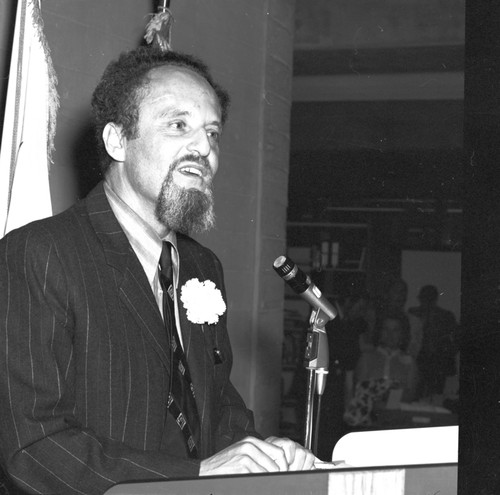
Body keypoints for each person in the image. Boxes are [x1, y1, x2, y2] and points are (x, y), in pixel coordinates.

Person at [0, 47, 316, 494]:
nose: (205, 148)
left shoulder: (203, 266)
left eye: (212, 132)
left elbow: (216, 412)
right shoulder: (39, 254)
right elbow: (32, 449)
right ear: (117, 141)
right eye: (178, 125)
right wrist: (195, 476)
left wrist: (266, 455)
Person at [343, 315, 418, 427]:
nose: (390, 335)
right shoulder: (366, 358)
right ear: (379, 332)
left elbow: (410, 395)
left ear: (402, 334)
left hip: (398, 423)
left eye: (395, 330)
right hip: (367, 423)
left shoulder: (410, 363)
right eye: (385, 329)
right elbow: (359, 395)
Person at [408, 285, 458, 400]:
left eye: (430, 298)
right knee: (415, 395)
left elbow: (453, 343)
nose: (427, 301)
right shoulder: (413, 313)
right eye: (424, 298)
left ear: (435, 299)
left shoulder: (446, 316)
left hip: (438, 367)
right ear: (419, 298)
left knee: (435, 398)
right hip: (417, 363)